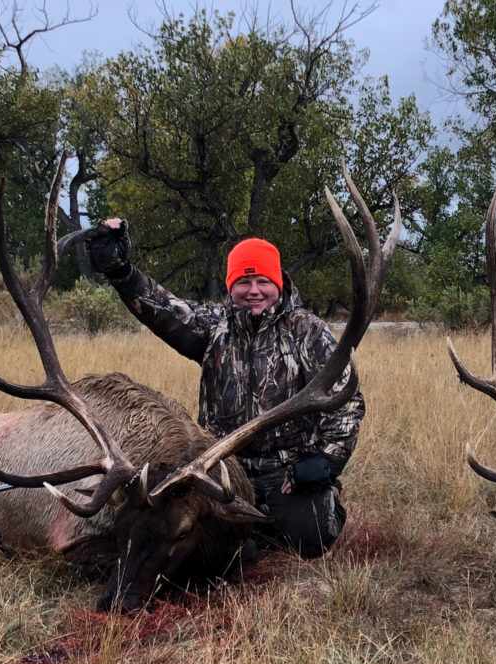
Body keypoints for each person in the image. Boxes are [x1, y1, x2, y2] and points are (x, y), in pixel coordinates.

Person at [85, 220, 363, 558]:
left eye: (263, 281)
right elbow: (163, 308)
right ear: (231, 286)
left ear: (279, 283)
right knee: (200, 546)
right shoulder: (214, 326)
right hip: (222, 469)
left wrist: (324, 463)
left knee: (310, 538)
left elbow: (345, 406)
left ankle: (320, 504)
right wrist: (121, 272)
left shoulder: (309, 333)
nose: (254, 290)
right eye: (243, 282)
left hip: (288, 472)